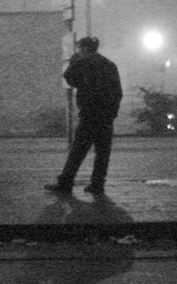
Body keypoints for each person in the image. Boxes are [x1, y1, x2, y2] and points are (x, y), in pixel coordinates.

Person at [44, 37, 123, 197]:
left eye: (80, 48)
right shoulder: (109, 65)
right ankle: (97, 184)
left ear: (85, 48)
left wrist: (74, 61)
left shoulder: (82, 63)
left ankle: (65, 183)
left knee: (78, 150)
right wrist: (112, 112)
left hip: (89, 113)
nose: (79, 51)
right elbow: (118, 92)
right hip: (106, 115)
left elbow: (69, 78)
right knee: (102, 152)